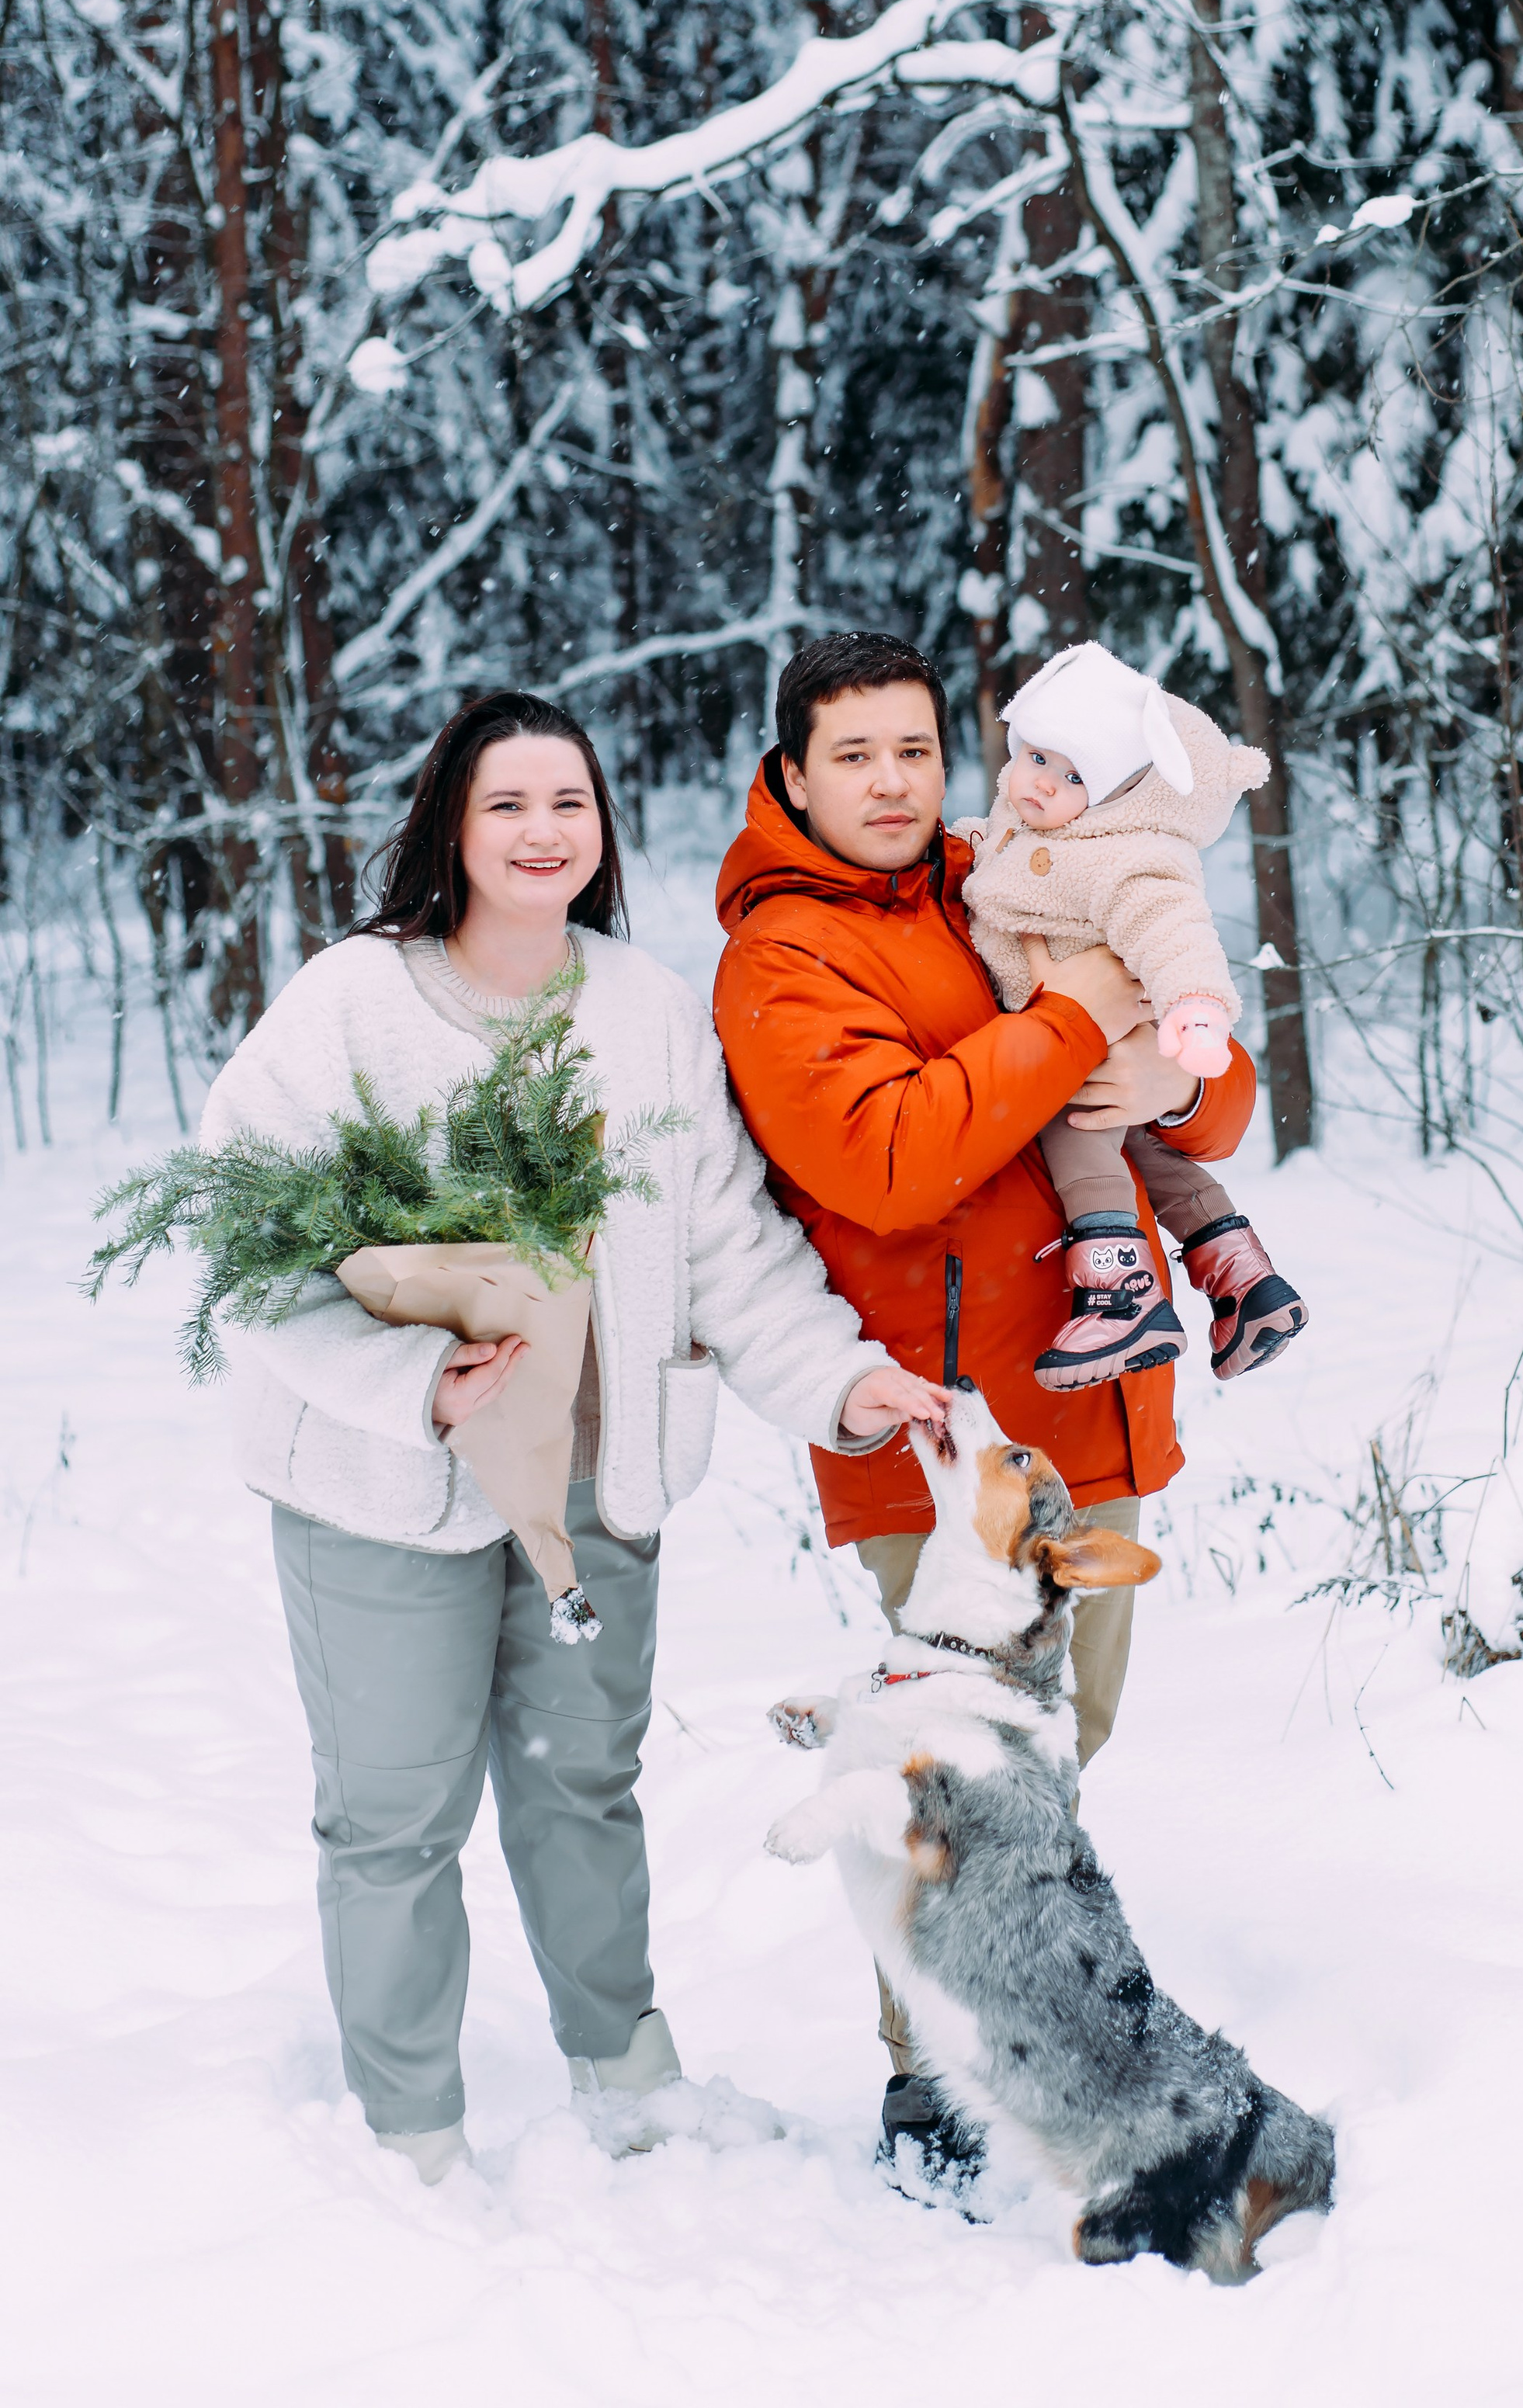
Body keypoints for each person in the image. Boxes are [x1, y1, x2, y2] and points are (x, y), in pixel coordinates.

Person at [201, 691, 945, 2184]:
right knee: (396, 1816)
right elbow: (246, 1248)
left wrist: (839, 1379)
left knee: (581, 1787)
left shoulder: (646, 1010)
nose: (544, 833)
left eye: (570, 805)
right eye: (508, 805)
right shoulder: (353, 1006)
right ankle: (412, 2127)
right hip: (386, 1492)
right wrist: (414, 1388)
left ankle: (624, 2067)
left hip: (598, 1488)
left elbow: (728, 1243)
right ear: (451, 828)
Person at [710, 630, 1258, 2184]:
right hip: (936, 1444)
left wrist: (1173, 1084)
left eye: (913, 748)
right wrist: (1086, 1014)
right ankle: (926, 2080)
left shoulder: (1011, 862)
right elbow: (892, 1155)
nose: (893, 782)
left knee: (1064, 1748)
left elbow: (1207, 1085)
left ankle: (1040, 2028)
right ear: (793, 773)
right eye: (854, 755)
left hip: (1092, 1396)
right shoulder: (781, 957)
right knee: (939, 1772)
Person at [957, 637, 1309, 1390]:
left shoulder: (1123, 854)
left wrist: (1196, 1006)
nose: (1042, 784)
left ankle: (1121, 1294)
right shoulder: (1030, 822)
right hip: (1092, 1045)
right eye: (1037, 757)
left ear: (1117, 791)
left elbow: (1171, 924)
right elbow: (999, 859)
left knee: (1081, 1136)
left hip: (1083, 1046)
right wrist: (971, 841)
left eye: (1075, 774)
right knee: (1150, 1153)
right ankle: (1242, 1278)